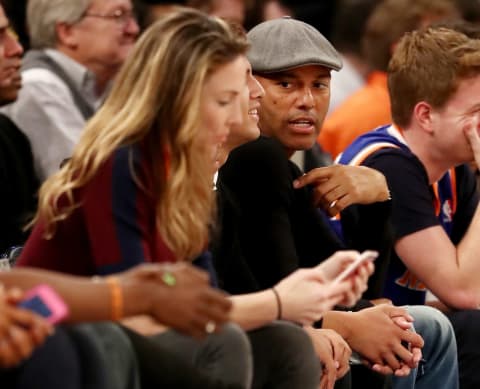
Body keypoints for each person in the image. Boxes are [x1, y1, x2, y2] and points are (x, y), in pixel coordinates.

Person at [219, 16, 459, 389]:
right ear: (247, 86)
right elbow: (289, 292)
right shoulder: (255, 158)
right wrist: (357, 318)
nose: (306, 101)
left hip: (288, 325)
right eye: (286, 84)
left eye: (319, 85)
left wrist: (377, 200)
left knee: (418, 326)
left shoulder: (304, 161)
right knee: (422, 328)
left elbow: (356, 290)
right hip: (267, 332)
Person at [336, 26, 480, 389]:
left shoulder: (453, 170)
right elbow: (464, 292)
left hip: (407, 328)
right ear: (426, 116)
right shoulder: (386, 165)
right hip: (348, 333)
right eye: (477, 111)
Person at [1, 0, 140, 182]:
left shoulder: (107, 84)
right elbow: (85, 182)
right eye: (118, 16)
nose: (134, 29)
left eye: (131, 16)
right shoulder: (37, 85)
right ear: (67, 32)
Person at [318, 0, 459, 159]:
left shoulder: (391, 104)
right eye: (439, 42)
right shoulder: (372, 113)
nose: (454, 52)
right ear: (403, 50)